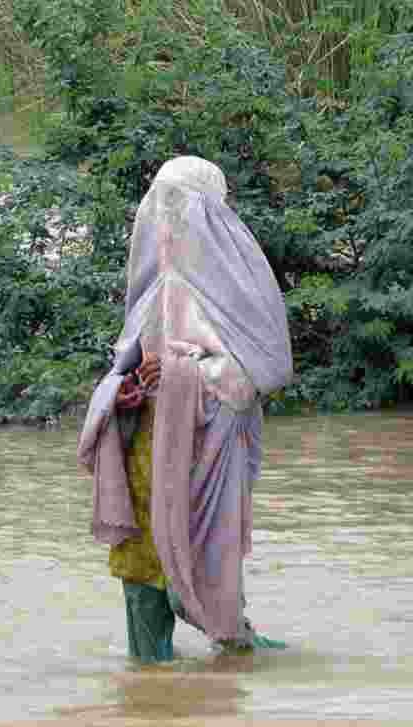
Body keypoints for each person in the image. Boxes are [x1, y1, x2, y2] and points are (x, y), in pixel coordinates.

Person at [76, 156, 292, 662]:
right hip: (145, 450)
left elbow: (258, 376)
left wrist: (179, 377)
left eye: (180, 207)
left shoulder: (237, 293)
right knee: (142, 573)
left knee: (207, 562)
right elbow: (124, 364)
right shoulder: (153, 288)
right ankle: (149, 693)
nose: (168, 220)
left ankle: (233, 660)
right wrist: (125, 389)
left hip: (204, 451)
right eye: (162, 207)